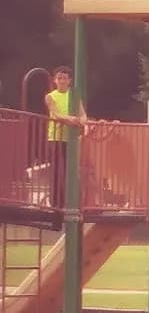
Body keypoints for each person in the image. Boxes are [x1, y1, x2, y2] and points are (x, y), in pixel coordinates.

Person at [44, 66, 87, 209]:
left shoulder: (74, 96)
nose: (62, 81)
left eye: (64, 78)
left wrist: (81, 121)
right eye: (59, 78)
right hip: (55, 137)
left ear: (69, 80)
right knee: (57, 170)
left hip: (71, 138)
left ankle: (71, 201)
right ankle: (56, 202)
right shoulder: (50, 96)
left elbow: (82, 114)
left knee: (71, 170)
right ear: (55, 80)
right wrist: (73, 120)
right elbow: (56, 114)